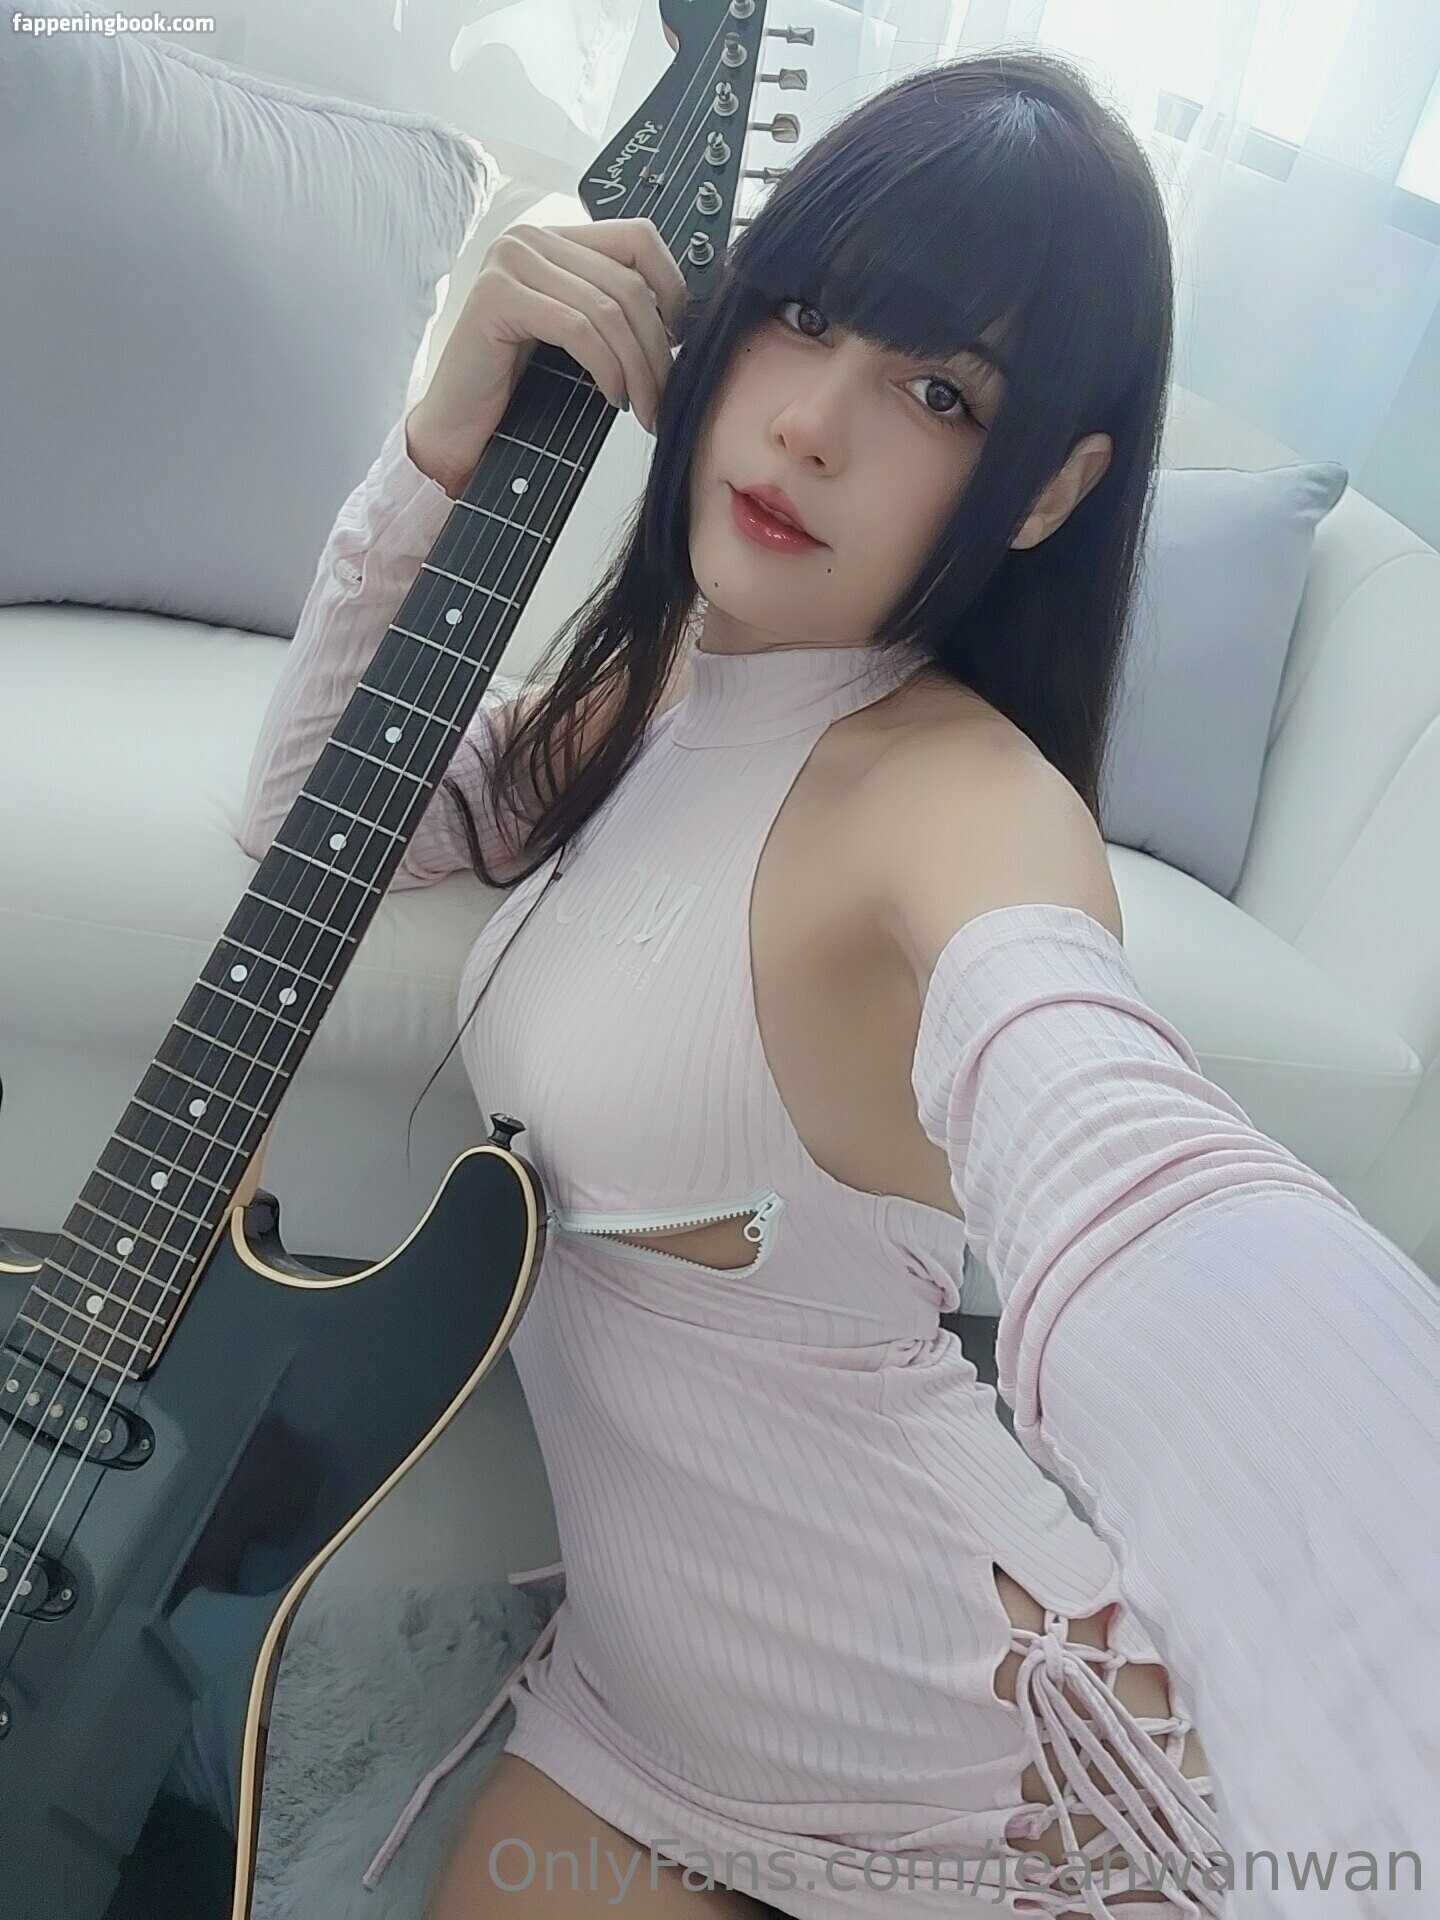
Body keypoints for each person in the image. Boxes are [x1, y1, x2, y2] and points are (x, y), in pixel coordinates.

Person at [236, 48, 1439, 1919]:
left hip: (999, 1778)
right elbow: (311, 819)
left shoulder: (961, 803)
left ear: (1047, 491)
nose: (810, 426)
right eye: (804, 316)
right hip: (640, 1726)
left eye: (939, 392)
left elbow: (1127, 1159)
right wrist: (440, 449)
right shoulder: (651, 693)